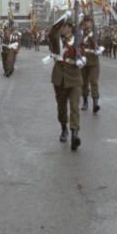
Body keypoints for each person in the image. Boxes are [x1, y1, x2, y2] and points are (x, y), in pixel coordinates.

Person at [47, 13, 84, 151]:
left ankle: (75, 134)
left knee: (74, 106)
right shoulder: (56, 39)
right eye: (61, 27)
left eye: (64, 26)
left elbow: (83, 51)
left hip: (74, 76)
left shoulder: (78, 39)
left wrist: (82, 59)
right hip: (60, 76)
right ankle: (64, 128)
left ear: (70, 27)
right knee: (62, 107)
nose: (61, 29)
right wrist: (63, 17)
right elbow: (52, 31)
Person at [79, 15, 103, 113]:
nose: (88, 23)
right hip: (84, 60)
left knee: (94, 81)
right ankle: (85, 102)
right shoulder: (80, 33)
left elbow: (100, 43)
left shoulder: (95, 32)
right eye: (86, 21)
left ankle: (95, 103)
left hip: (94, 61)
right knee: (84, 83)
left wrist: (99, 48)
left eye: (89, 21)